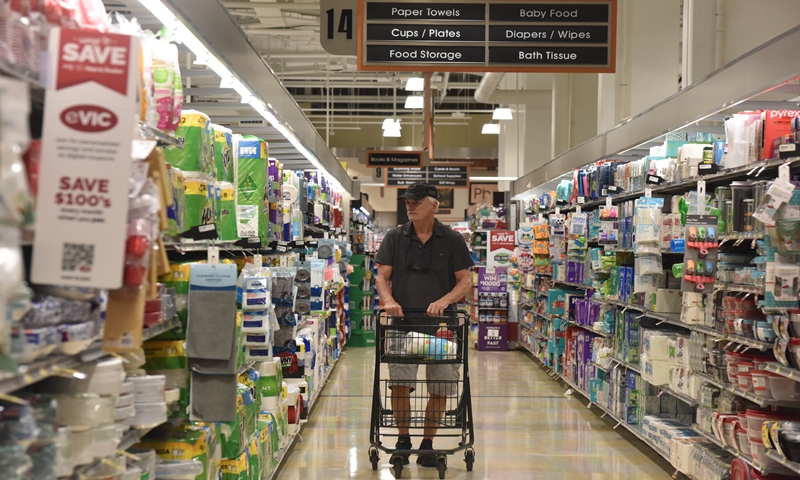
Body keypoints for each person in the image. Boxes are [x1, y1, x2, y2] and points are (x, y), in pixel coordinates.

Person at [374, 182, 474, 468]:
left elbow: (465, 281)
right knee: (400, 385)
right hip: (402, 324)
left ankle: (428, 445)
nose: (410, 205)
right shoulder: (395, 237)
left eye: (417, 201)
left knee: (440, 386)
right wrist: (388, 300)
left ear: (433, 205)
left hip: (442, 327)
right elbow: (382, 277)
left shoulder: (452, 239)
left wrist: (445, 300)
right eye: (408, 201)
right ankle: (403, 441)